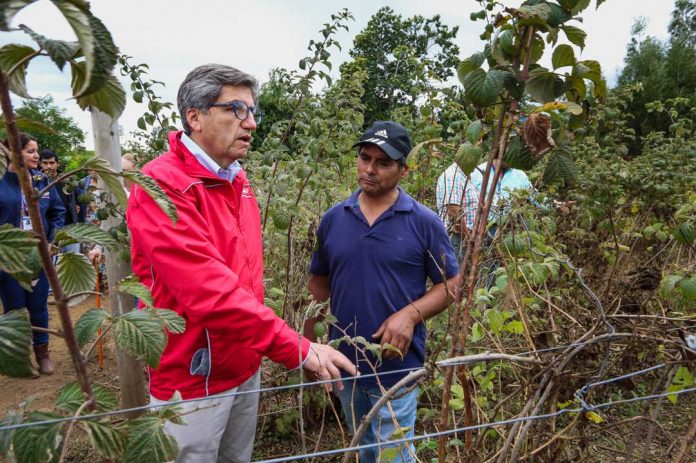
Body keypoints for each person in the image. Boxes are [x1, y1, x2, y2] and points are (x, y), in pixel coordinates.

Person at [126, 63, 357, 463]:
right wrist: (296, 348)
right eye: (236, 109)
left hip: (244, 362)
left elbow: (243, 277)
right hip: (193, 375)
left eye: (253, 111)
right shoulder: (162, 185)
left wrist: (263, 350)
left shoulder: (236, 179)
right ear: (194, 117)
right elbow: (207, 291)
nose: (250, 123)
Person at [304, 121, 459, 463]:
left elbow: (451, 285)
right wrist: (309, 344)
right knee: (363, 448)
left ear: (403, 170)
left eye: (383, 162)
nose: (370, 169)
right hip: (344, 362)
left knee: (394, 455)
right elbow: (319, 286)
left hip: (397, 366)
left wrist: (409, 315)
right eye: (364, 158)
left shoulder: (423, 222)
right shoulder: (334, 219)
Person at [0, 133, 65, 376]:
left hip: (39, 256)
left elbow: (57, 212)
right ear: (12, 154)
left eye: (36, 150)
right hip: (10, 259)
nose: (37, 155)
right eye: (30, 151)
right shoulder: (1, 181)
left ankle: (43, 354)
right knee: (15, 309)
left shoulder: (41, 181)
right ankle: (20, 357)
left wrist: (52, 240)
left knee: (38, 306)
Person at [39, 149, 83, 254]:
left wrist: (80, 222)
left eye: (52, 163)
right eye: (45, 163)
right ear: (40, 164)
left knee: (73, 260)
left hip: (69, 228)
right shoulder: (37, 182)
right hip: (48, 230)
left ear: (58, 164)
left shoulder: (67, 181)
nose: (49, 166)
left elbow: (80, 200)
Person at [435, 161, 479, 261]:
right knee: (458, 274)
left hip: (465, 238)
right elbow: (453, 212)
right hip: (458, 239)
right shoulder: (452, 176)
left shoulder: (464, 175)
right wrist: (468, 240)